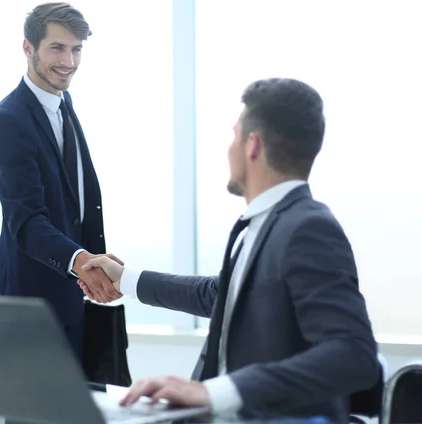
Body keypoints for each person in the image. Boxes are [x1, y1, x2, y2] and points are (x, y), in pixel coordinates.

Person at [79, 78, 379, 423]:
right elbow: (220, 295)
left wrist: (214, 392)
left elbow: (353, 355)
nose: (228, 148)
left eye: (234, 135)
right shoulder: (267, 224)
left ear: (253, 145)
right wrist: (125, 280)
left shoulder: (308, 228)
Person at [0, 2, 121, 361]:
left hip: (75, 297)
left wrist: (90, 265)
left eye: (76, 49)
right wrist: (83, 263)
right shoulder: (9, 119)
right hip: (30, 305)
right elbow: (27, 221)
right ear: (28, 48)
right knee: (35, 415)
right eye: (57, 48)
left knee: (84, 412)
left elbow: (75, 204)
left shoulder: (64, 104)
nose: (70, 61)